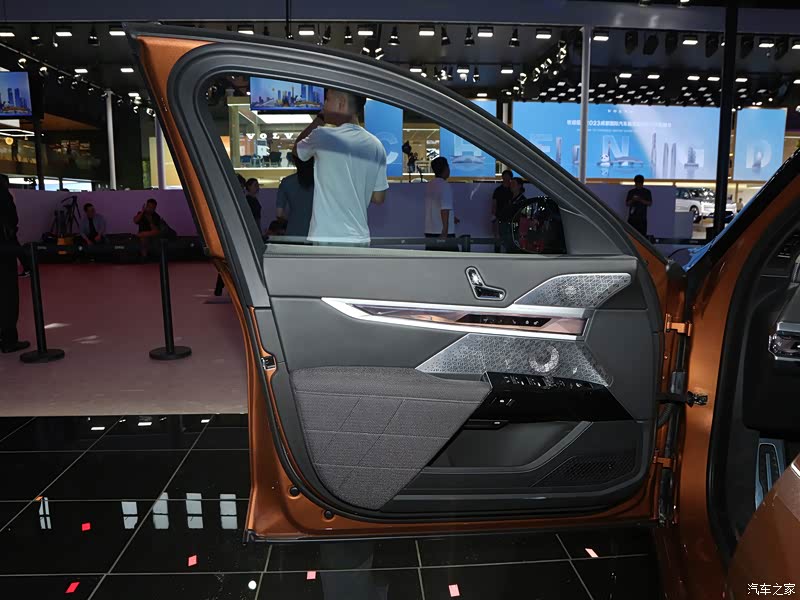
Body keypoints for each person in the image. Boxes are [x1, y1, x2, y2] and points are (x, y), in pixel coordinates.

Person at [293, 88, 388, 246]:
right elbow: (378, 198)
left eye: (327, 99)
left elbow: (297, 151)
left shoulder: (322, 135)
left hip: (325, 237)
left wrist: (320, 118)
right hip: (360, 238)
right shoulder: (377, 145)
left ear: (341, 103)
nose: (324, 105)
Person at [0, 174, 30, 353]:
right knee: (8, 296)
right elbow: (12, 221)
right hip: (4, 251)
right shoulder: (4, 196)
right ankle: (9, 340)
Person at [424, 156, 460, 251]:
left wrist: (452, 217)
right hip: (443, 233)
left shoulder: (430, 185)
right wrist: (445, 231)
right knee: (451, 259)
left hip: (430, 230)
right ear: (445, 169)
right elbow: (444, 209)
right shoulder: (445, 186)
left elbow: (436, 206)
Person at [276, 154, 314, 239]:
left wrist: (293, 217)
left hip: (293, 232)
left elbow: (279, 213)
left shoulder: (286, 182)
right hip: (315, 232)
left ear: (295, 162)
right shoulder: (319, 181)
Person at [493, 169, 515, 252]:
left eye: (507, 177)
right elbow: (494, 203)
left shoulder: (512, 190)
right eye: (504, 176)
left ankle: (509, 251)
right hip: (500, 215)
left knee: (509, 236)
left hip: (510, 217)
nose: (506, 178)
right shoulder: (498, 190)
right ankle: (497, 252)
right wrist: (494, 215)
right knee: (498, 235)